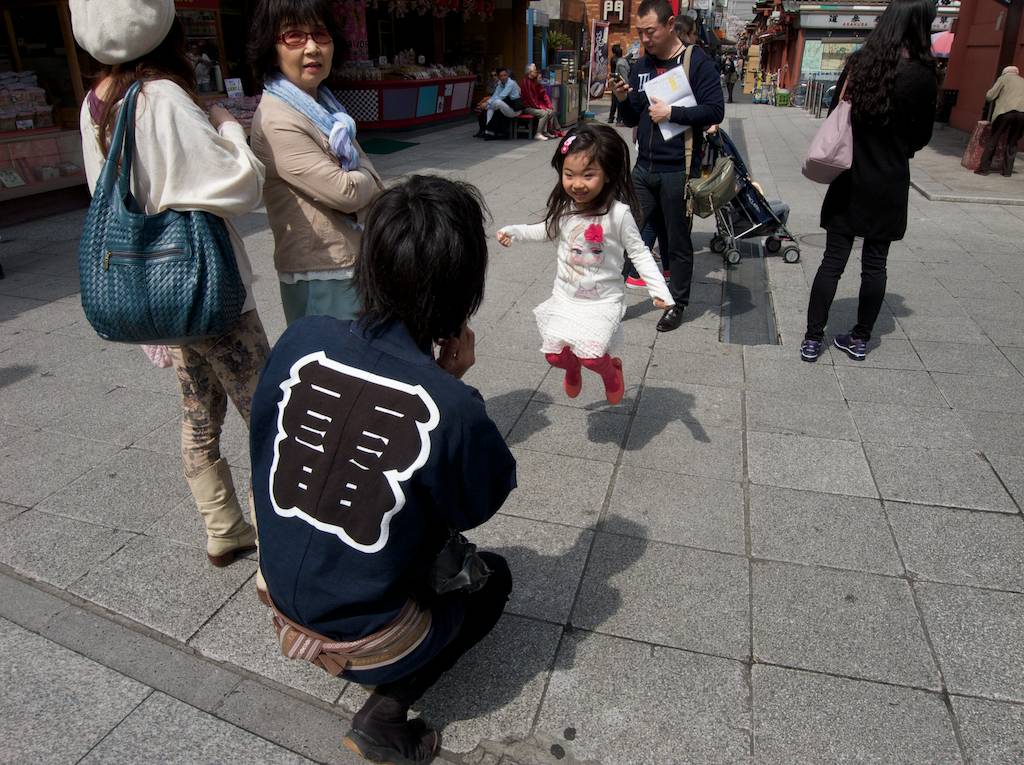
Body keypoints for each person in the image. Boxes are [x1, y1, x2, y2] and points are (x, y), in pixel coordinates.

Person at [249, 175, 514, 765]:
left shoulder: (301, 338)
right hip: (368, 641)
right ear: (465, 287)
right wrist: (450, 383)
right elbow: (478, 504)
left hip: (273, 594)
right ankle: (385, 713)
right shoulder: (450, 405)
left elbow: (264, 441)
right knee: (493, 580)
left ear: (368, 262)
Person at [72, 0, 269, 567]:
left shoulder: (95, 103)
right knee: (266, 415)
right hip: (208, 290)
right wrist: (228, 122)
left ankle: (224, 530)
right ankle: (277, 551)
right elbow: (239, 185)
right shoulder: (163, 96)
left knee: (199, 414)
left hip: (157, 297)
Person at [800, 0, 938, 363]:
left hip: (850, 176)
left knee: (833, 260)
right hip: (889, 181)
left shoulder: (860, 64)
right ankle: (861, 338)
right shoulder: (924, 74)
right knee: (875, 264)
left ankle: (813, 339)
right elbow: (922, 137)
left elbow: (834, 117)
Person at [496, 125, 673, 405]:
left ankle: (611, 373)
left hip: (602, 302)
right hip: (565, 298)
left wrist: (659, 290)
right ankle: (571, 367)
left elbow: (639, 252)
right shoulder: (566, 209)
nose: (577, 183)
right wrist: (514, 231)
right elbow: (545, 230)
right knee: (554, 355)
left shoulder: (618, 214)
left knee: (592, 357)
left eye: (588, 175)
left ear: (608, 176)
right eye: (569, 175)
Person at [249, 0, 384, 325]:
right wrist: (368, 178)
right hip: (320, 271)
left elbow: (363, 178)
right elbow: (347, 192)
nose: (312, 48)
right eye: (294, 36)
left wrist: (364, 177)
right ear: (272, 46)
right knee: (337, 369)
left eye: (320, 35)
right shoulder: (277, 118)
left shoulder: (325, 107)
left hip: (349, 261)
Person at [611, 0, 725, 332]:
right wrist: (622, 99)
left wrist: (672, 114)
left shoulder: (696, 62)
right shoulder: (640, 66)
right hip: (644, 168)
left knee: (676, 242)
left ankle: (677, 303)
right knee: (628, 234)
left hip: (679, 168)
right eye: (640, 32)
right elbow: (634, 116)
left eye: (651, 31)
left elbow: (714, 110)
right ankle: (614, 299)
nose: (644, 39)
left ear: (670, 24)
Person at [976, 65, 1024, 177]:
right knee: (1013, 142)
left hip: (1005, 112)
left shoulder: (1003, 78)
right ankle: (1007, 172)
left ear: (1005, 73)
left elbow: (990, 96)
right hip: (1022, 114)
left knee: (994, 138)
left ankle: (983, 169)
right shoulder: (1022, 80)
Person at [473, 67, 522, 140]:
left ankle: (489, 129)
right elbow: (494, 96)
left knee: (497, 102)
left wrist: (486, 104)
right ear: (499, 77)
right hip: (507, 107)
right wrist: (487, 103)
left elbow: (501, 96)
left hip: (515, 109)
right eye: (501, 76)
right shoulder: (500, 85)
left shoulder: (511, 83)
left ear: (507, 75)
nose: (503, 77)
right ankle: (488, 132)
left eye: (505, 75)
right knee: (491, 108)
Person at [521, 63, 564, 140]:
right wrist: (541, 108)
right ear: (530, 72)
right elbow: (530, 98)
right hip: (528, 107)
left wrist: (548, 106)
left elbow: (544, 95)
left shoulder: (533, 81)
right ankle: (538, 133)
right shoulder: (526, 82)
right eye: (534, 70)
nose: (536, 72)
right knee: (544, 113)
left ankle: (547, 131)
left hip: (534, 105)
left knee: (550, 111)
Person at [608, 44, 629, 124]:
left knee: (614, 101)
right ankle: (619, 119)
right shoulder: (620, 61)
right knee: (620, 101)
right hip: (619, 80)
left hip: (614, 80)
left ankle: (611, 118)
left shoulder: (614, 59)